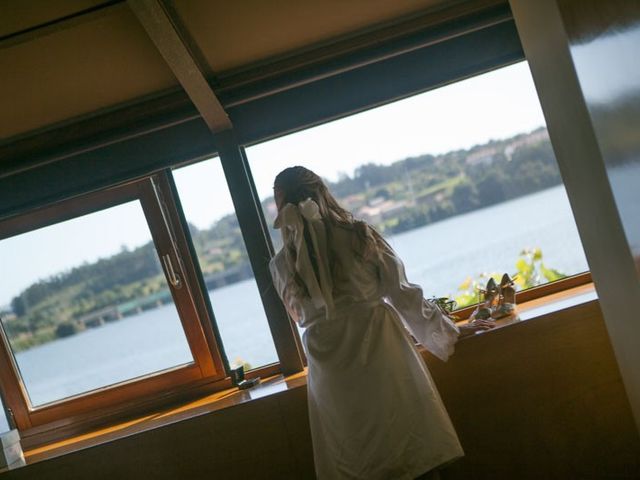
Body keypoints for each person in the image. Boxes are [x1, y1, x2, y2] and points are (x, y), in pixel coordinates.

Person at [269, 166, 494, 480]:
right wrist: (449, 331)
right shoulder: (358, 234)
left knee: (360, 459)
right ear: (322, 192)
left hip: (332, 371)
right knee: (409, 448)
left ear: (280, 206)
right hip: (380, 352)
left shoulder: (280, 265)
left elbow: (298, 315)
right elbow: (401, 294)